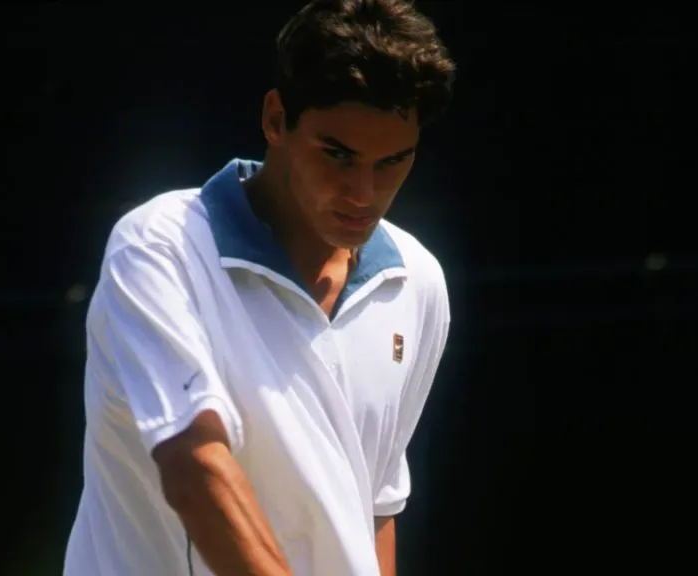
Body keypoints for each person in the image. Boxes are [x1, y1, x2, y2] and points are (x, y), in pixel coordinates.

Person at [63, 1, 456, 574]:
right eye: (338, 156)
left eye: (392, 162)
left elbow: (371, 509)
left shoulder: (418, 283)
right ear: (276, 120)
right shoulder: (158, 247)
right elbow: (195, 469)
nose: (363, 193)